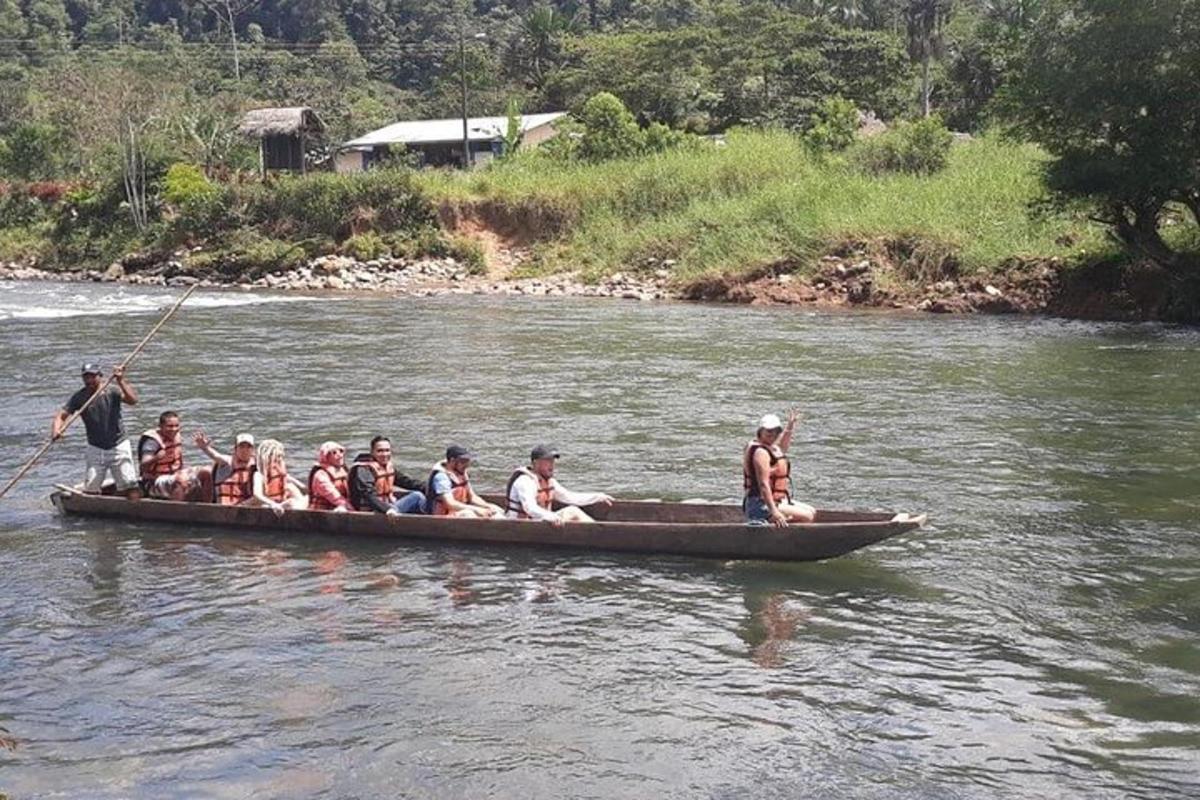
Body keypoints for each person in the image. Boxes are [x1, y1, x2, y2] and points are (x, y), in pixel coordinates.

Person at [51, 363, 140, 498]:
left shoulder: (112, 391)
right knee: (91, 489)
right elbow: (61, 415)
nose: (89, 381)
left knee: (129, 485)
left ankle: (122, 501)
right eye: (86, 377)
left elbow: (132, 400)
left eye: (92, 377)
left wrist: (121, 380)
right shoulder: (80, 397)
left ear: (100, 376)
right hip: (95, 447)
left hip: (118, 444)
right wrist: (56, 430)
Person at [505, 445, 613, 525]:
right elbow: (530, 508)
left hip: (540, 521)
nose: (551, 465)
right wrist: (550, 516)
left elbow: (569, 497)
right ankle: (601, 532)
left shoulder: (549, 481)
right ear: (535, 463)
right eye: (547, 461)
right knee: (572, 511)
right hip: (520, 524)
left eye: (552, 461)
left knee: (572, 509)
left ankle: (599, 531)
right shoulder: (525, 481)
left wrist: (598, 497)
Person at [743, 410, 816, 527]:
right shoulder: (760, 452)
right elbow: (763, 485)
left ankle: (780, 525)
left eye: (776, 431)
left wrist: (790, 426)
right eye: (769, 431)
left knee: (812, 510)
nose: (773, 434)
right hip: (759, 505)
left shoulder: (771, 448)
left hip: (772, 501)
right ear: (760, 431)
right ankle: (773, 526)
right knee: (807, 517)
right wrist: (774, 512)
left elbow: (781, 449)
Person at [137, 411, 212, 501]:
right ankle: (178, 511)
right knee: (181, 479)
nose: (174, 429)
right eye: (169, 426)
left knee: (207, 472)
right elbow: (143, 467)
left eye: (176, 426)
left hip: (175, 474)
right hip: (153, 482)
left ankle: (206, 506)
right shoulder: (152, 441)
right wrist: (156, 458)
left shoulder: (177, 436)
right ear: (160, 426)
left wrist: (204, 447)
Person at [348, 436, 426, 516]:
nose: (384, 454)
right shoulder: (364, 469)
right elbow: (368, 494)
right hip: (374, 511)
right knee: (417, 496)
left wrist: (428, 487)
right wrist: (387, 509)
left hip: (388, 506)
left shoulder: (385, 467)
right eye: (380, 451)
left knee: (422, 494)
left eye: (387, 450)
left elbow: (406, 482)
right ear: (372, 452)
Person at [425, 445, 503, 518]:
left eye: (467, 461)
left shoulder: (461, 473)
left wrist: (488, 506)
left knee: (496, 510)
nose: (466, 465)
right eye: (463, 461)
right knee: (468, 514)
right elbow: (450, 503)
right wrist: (476, 510)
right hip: (444, 516)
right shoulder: (442, 477)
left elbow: (472, 497)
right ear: (452, 461)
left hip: (458, 511)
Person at [196, 431, 256, 506]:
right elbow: (215, 455)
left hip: (243, 509)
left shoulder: (256, 466)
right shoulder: (227, 461)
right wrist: (205, 447)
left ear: (253, 450)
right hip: (223, 508)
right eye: (241, 446)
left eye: (248, 447)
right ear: (235, 449)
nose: (245, 450)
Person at [250, 439, 308, 515]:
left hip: (281, 503)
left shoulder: (280, 472)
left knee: (292, 488)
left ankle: (303, 511)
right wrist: (273, 504)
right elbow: (257, 495)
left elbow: (301, 486)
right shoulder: (259, 475)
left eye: (281, 456)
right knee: (292, 501)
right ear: (267, 457)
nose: (280, 459)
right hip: (268, 505)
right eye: (277, 456)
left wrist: (310, 489)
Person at [308, 441, 352, 512]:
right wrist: (350, 508)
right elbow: (333, 495)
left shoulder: (344, 471)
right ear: (326, 457)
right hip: (322, 513)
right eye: (334, 453)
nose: (340, 455)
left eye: (341, 451)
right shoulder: (321, 475)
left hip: (344, 505)